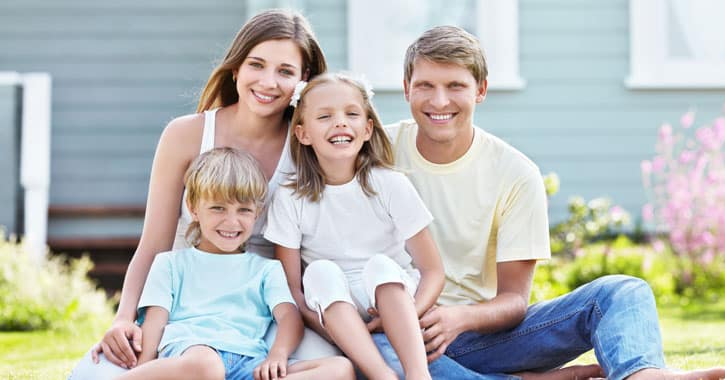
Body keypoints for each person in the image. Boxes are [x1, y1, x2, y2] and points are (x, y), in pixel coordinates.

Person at [373, 26, 725, 380]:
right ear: (407, 89)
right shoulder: (372, 153)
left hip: (480, 339)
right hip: (395, 335)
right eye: (425, 86)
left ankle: (639, 374)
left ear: (480, 90)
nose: (439, 101)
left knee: (623, 291)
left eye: (455, 86)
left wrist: (460, 318)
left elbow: (514, 300)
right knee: (371, 352)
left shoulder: (515, 173)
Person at [68, 9, 341, 379]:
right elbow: (153, 245)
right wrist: (123, 318)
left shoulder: (308, 143)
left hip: (263, 304)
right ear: (236, 69)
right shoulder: (186, 134)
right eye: (256, 65)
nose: (268, 82)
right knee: (104, 371)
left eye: (285, 71)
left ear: (303, 80)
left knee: (339, 370)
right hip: (187, 302)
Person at [263, 72, 445, 380]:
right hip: (334, 306)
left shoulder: (389, 184)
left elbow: (433, 271)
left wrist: (406, 317)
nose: (340, 123)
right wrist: (331, 330)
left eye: (351, 114)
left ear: (367, 129)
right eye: (324, 116)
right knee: (319, 272)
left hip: (393, 296)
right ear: (302, 133)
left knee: (380, 265)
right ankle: (381, 376)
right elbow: (293, 289)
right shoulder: (290, 198)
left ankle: (418, 374)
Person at [114, 147, 352, 380]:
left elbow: (290, 319)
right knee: (208, 366)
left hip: (250, 362)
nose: (232, 221)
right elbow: (155, 323)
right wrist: (143, 369)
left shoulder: (266, 269)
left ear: (257, 213)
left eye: (244, 210)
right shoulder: (170, 264)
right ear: (194, 208)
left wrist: (277, 355)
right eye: (218, 208)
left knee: (340, 369)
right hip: (192, 355)